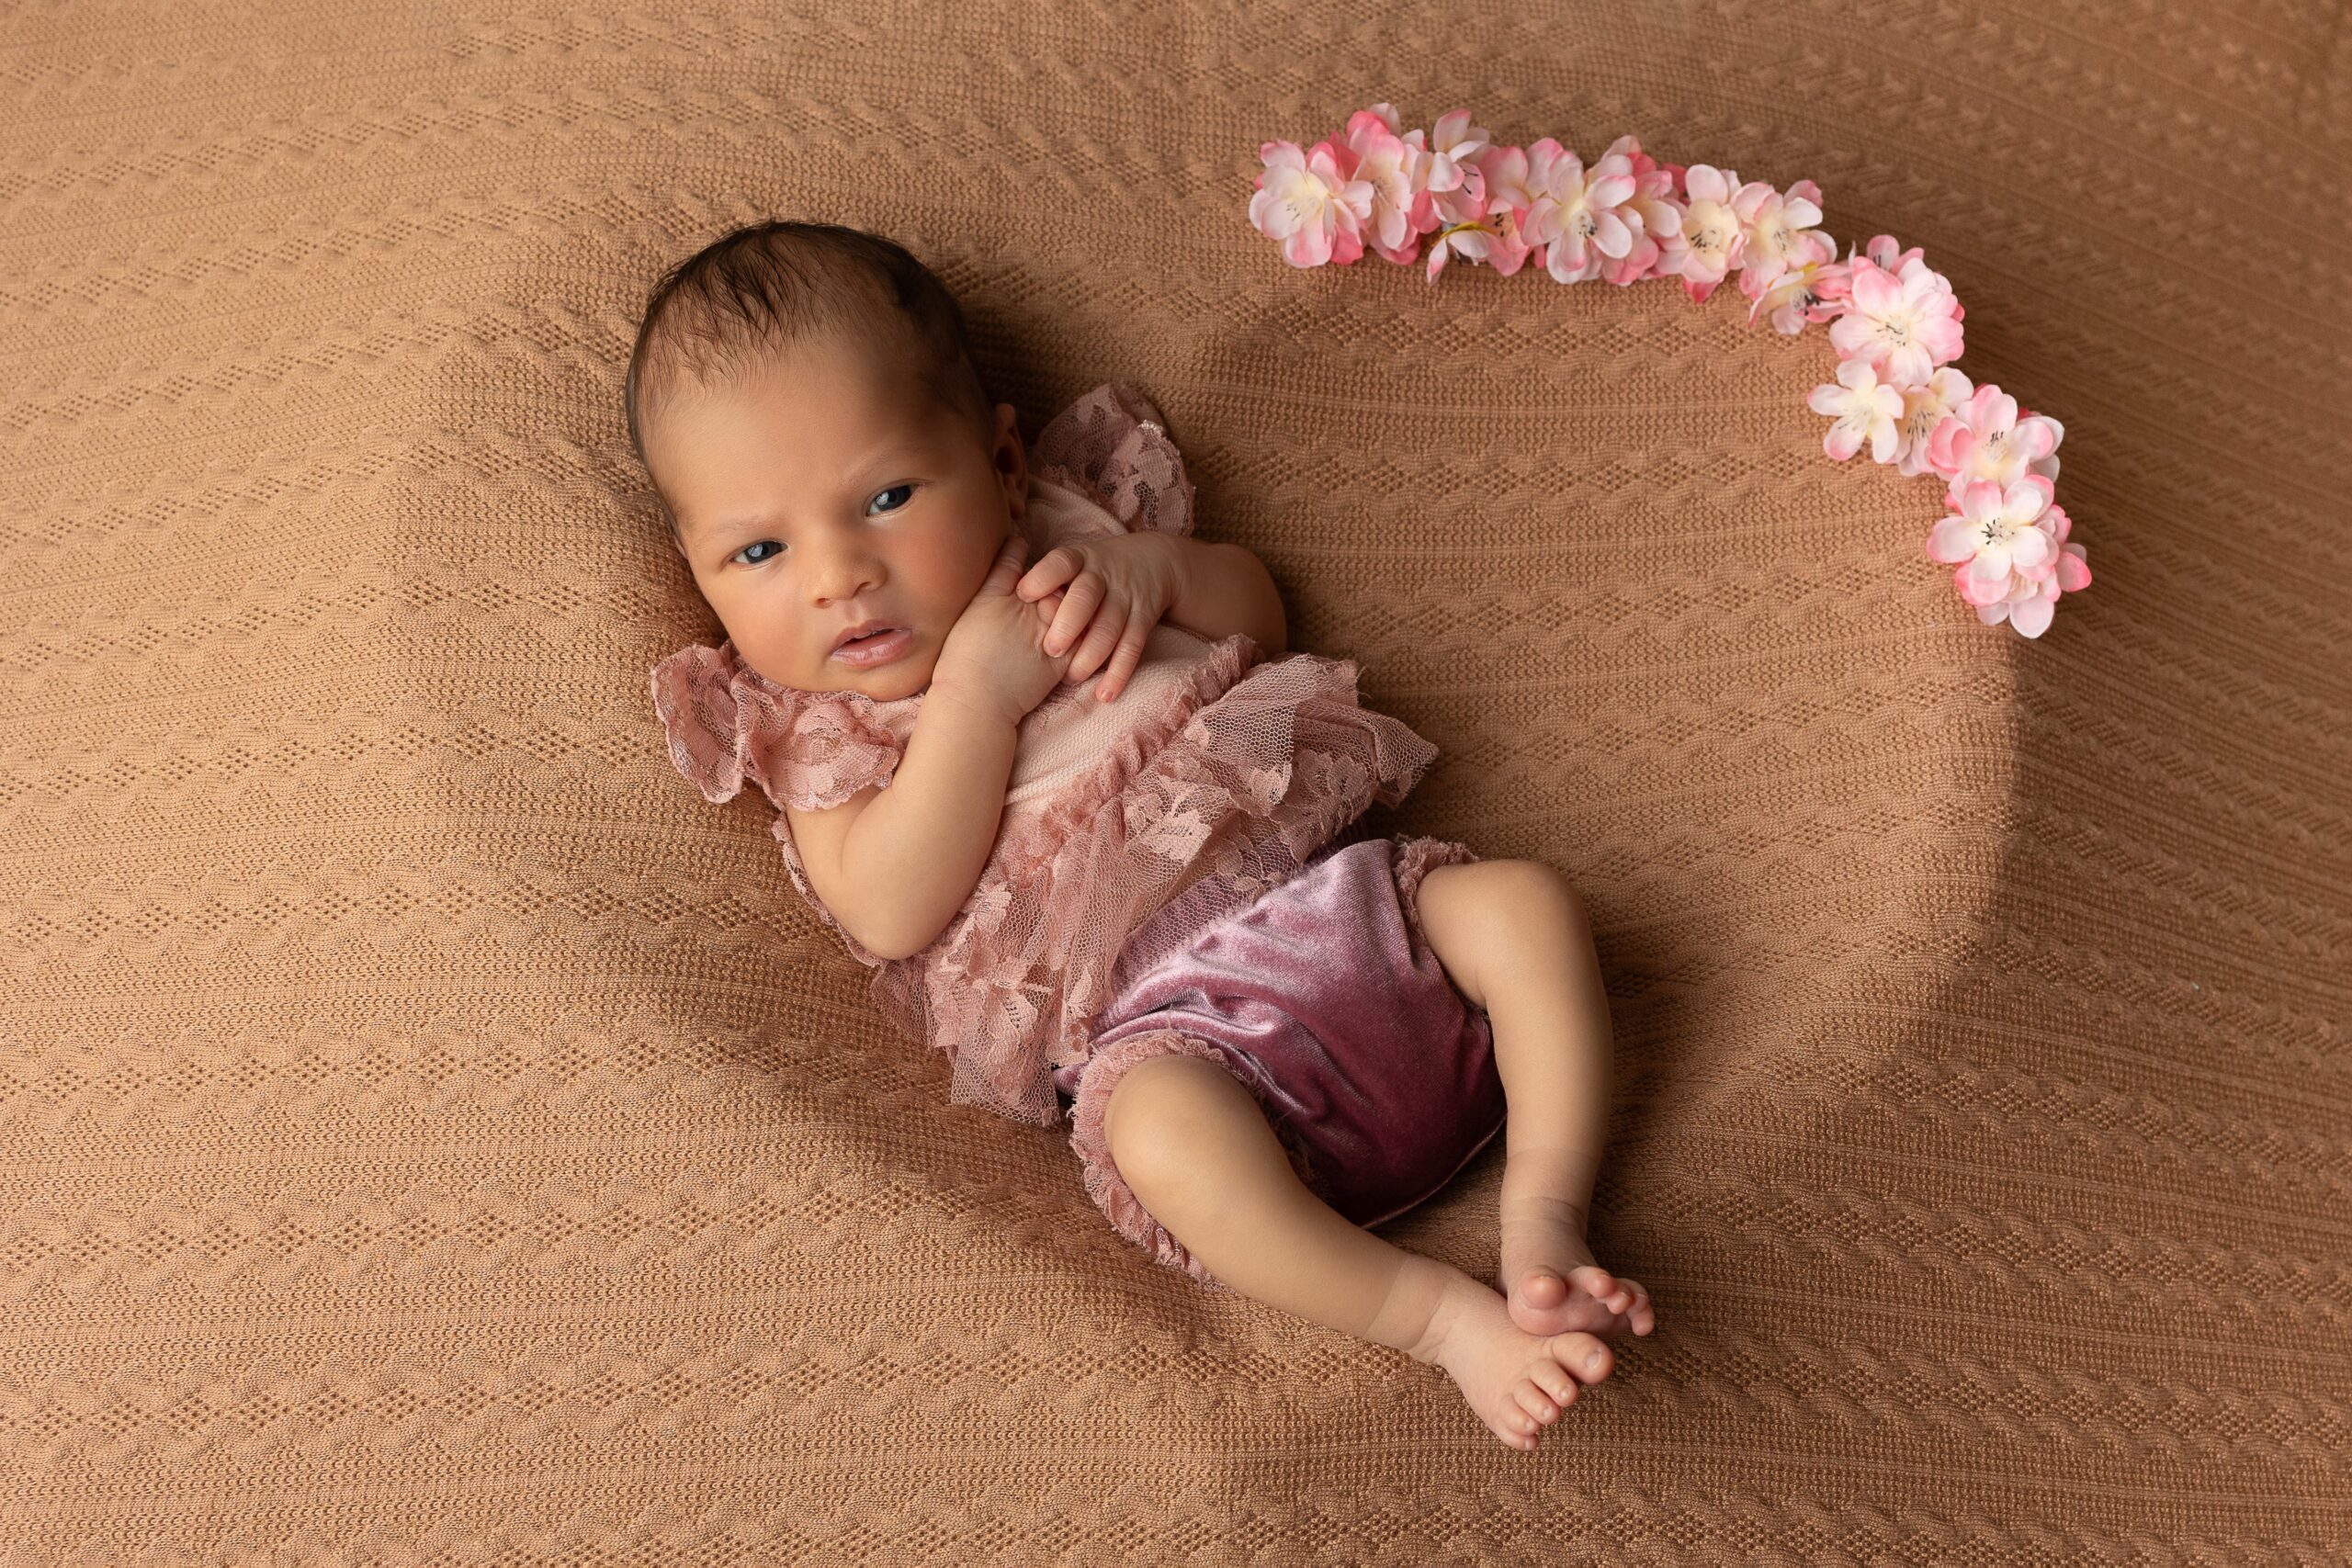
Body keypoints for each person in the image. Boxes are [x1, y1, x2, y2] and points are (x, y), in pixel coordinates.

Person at [630, 220, 1656, 1452]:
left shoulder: (1071, 541)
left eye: (889, 497)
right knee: (1157, 1135)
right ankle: (1444, 1323)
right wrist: (974, 703)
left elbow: (1258, 615)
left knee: (1521, 906)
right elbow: (886, 907)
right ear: (697, 573)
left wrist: (1158, 578)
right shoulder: (821, 734)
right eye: (760, 549)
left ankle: (1546, 1213)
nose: (840, 574)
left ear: (1004, 465)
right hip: (1182, 1046)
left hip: (1349, 909)